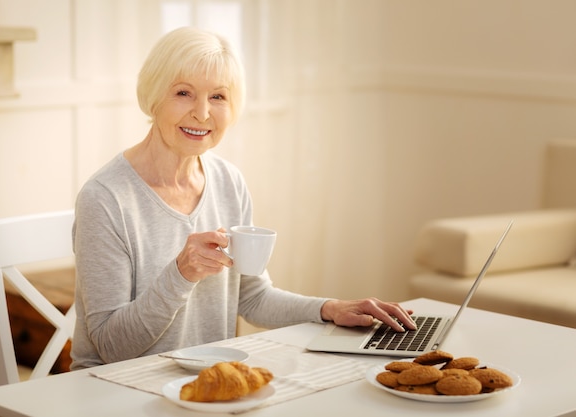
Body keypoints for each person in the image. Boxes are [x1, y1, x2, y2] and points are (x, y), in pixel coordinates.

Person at [70, 26, 416, 370]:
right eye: (183, 93)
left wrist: (330, 308)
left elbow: (251, 296)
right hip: (114, 389)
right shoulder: (105, 199)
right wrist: (181, 274)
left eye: (218, 97)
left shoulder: (227, 182)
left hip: (205, 383)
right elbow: (112, 348)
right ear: (154, 95)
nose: (203, 113)